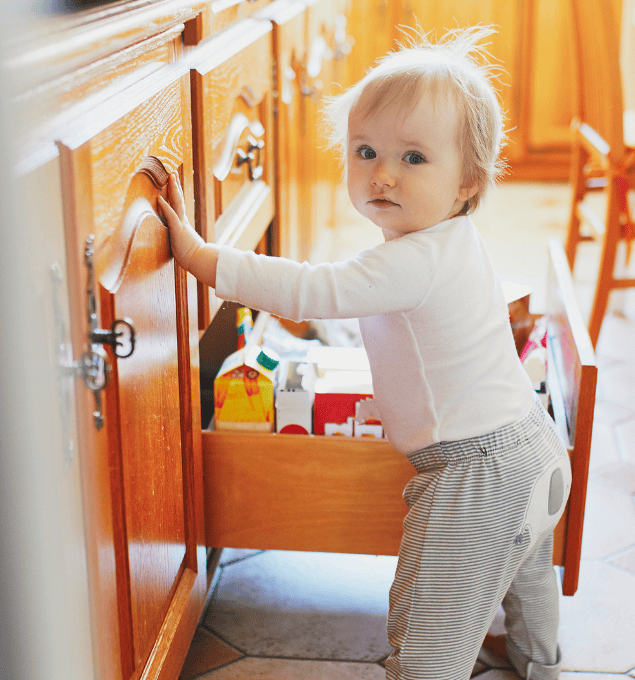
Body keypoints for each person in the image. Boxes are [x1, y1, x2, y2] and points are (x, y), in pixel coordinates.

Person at [158, 26, 570, 680]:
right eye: (366, 150)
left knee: (429, 621)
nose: (381, 173)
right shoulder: (458, 242)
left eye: (413, 158)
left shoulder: (408, 261)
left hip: (474, 476)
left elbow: (312, 289)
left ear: (469, 181)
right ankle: (538, 664)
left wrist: (203, 259)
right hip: (533, 451)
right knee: (525, 577)